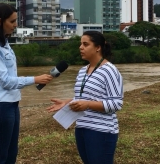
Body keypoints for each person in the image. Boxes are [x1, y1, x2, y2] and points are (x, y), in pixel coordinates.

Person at [0, 3, 53, 164]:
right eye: (12, 22)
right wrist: (34, 79)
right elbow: (5, 81)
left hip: (12, 104)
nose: (15, 25)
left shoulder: (5, 44)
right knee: (0, 157)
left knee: (11, 154)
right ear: (0, 21)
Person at [47, 31, 123, 164]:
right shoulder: (82, 70)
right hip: (82, 127)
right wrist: (68, 102)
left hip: (101, 131)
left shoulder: (109, 70)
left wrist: (88, 105)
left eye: (85, 44)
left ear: (98, 47)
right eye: (80, 44)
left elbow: (116, 103)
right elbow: (84, 97)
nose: (80, 47)